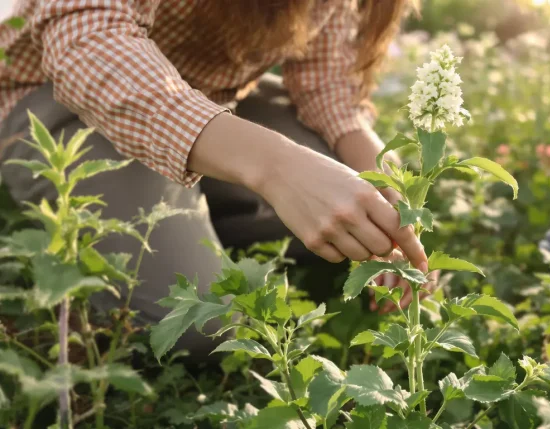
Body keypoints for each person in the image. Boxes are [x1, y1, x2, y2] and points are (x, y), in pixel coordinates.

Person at [0, 0, 432, 354]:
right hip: (59, 99)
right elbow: (88, 39)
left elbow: (328, 90)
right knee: (203, 319)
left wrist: (393, 194)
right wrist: (276, 168)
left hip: (205, 102)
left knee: (347, 204)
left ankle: (199, 207)